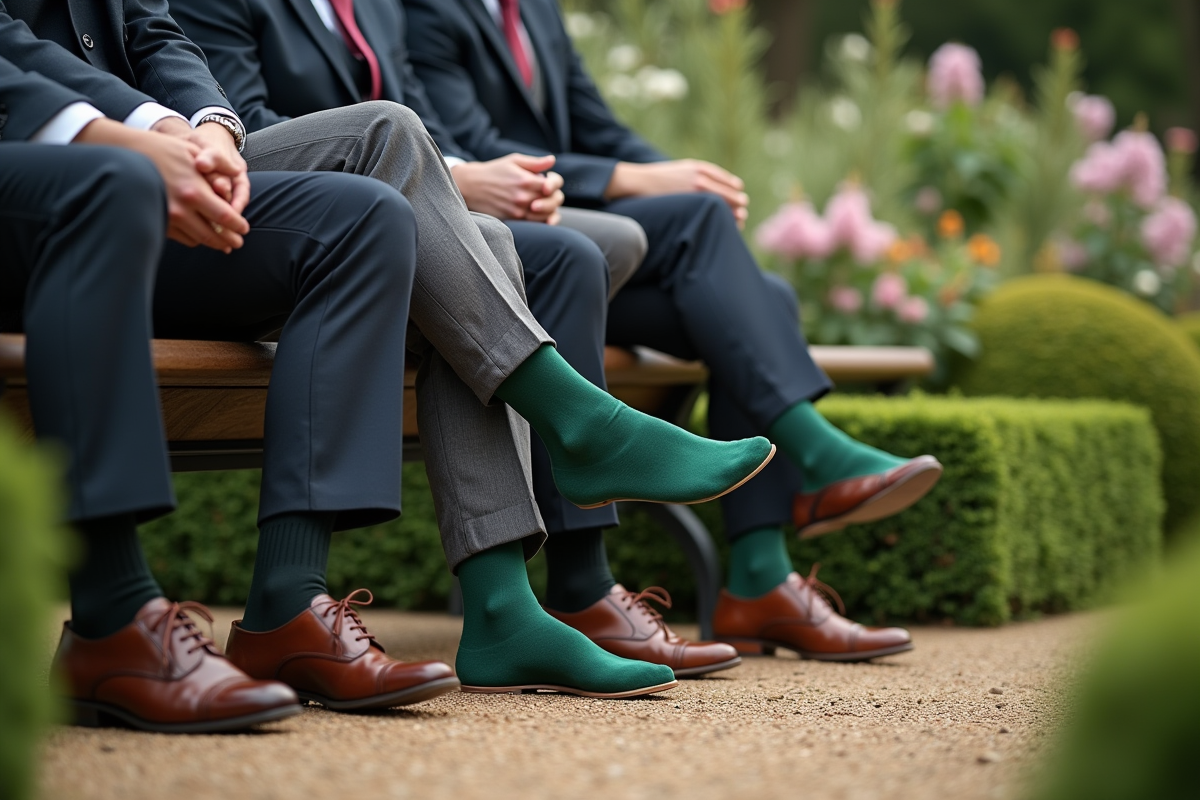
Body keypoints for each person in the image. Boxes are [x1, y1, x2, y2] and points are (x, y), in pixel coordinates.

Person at [1, 0, 775, 704]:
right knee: (389, 134)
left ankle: (390, 607)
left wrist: (196, 126)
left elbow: (151, 31)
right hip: (45, 175)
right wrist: (124, 132)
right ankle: (582, 428)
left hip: (176, 171)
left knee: (429, 228)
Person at [404, 0, 942, 662]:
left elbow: (597, 124)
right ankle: (810, 470)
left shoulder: (534, 10)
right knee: (689, 231)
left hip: (570, 236)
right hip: (506, 241)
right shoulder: (426, 11)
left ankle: (761, 579)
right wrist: (639, 181)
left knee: (758, 288)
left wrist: (674, 177)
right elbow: (473, 151)